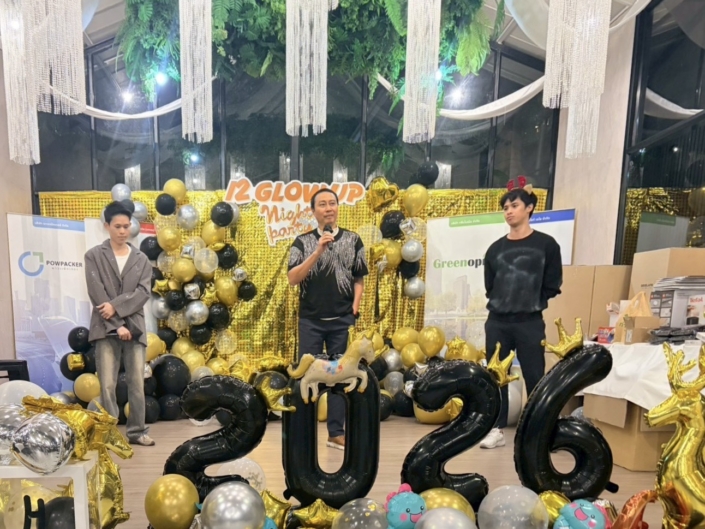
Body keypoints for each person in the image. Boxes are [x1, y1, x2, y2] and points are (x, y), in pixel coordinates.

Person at [480, 186, 563, 449]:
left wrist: (530, 302)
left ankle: (539, 432)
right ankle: (496, 429)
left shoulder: (546, 245)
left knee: (535, 376)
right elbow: (490, 286)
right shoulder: (495, 249)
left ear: (529, 208)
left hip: (530, 322)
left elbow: (552, 283)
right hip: (498, 322)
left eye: (514, 206)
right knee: (496, 376)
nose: (509, 211)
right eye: (505, 208)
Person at [287, 188, 369, 450]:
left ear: (337, 208)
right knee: (306, 376)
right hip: (310, 321)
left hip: (342, 322)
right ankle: (303, 432)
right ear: (313, 211)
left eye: (332, 203)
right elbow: (293, 279)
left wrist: (354, 307)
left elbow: (359, 278)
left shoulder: (354, 240)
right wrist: (317, 251)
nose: (328, 208)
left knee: (340, 378)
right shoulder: (302, 242)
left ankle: (336, 432)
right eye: (322, 204)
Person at [85, 201, 155, 446]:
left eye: (126, 226)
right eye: (118, 226)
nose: (123, 231)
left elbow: (143, 292)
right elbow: (97, 293)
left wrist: (116, 307)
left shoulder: (142, 259)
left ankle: (137, 432)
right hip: (105, 328)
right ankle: (110, 434)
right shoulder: (94, 255)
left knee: (137, 383)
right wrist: (116, 324)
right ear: (107, 226)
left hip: (135, 328)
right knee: (107, 385)